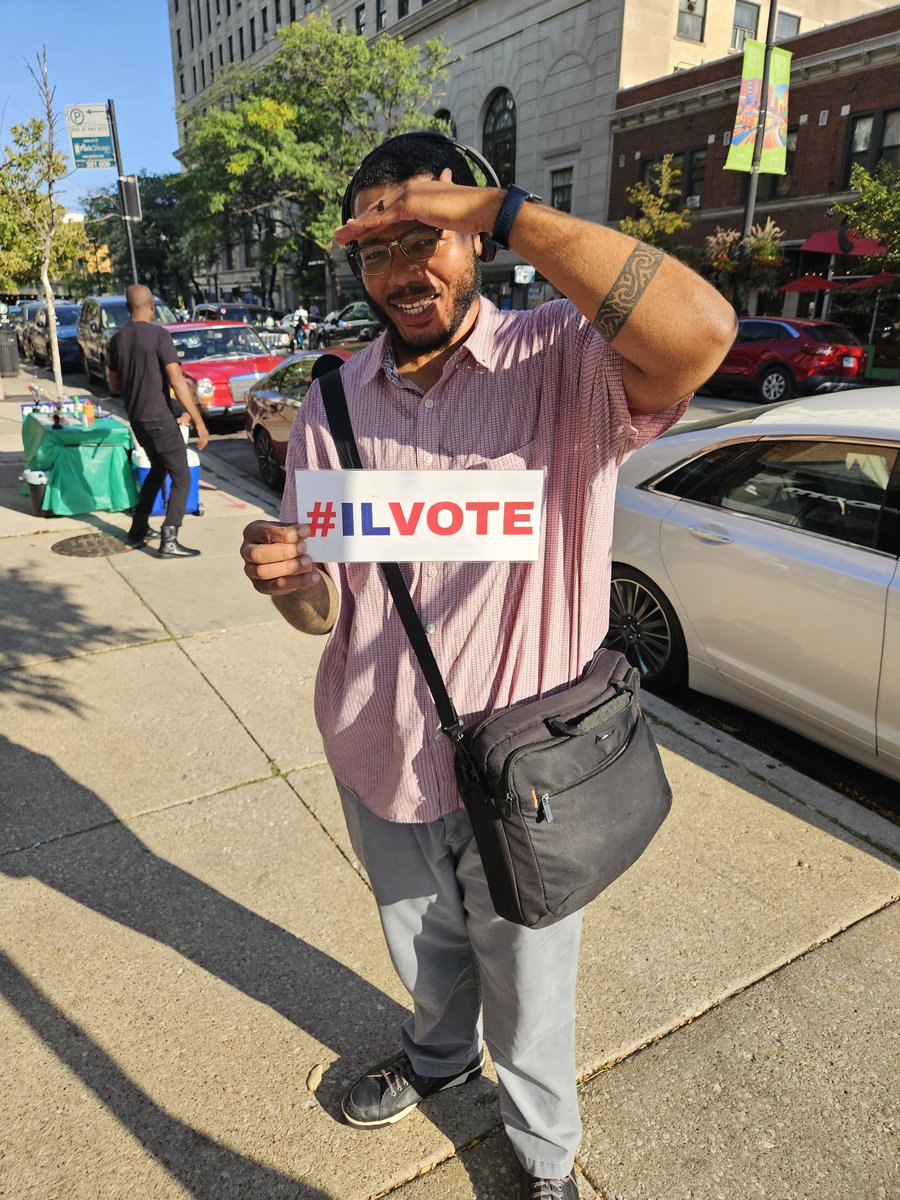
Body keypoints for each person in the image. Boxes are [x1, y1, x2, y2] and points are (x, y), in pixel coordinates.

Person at [240, 133, 736, 1199]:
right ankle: (436, 1057)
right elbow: (325, 610)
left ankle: (545, 1155)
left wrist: (500, 207)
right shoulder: (333, 403)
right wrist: (290, 584)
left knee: (531, 983)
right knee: (421, 950)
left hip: (527, 770)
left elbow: (702, 332)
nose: (403, 268)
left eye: (427, 233)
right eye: (377, 247)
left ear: (473, 239)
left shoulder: (565, 360)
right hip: (377, 749)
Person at [108, 284, 209, 557]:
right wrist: (199, 421)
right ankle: (169, 539)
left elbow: (113, 384)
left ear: (128, 307)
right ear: (151, 307)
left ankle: (138, 527)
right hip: (159, 420)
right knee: (182, 477)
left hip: (138, 420)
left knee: (158, 469)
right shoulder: (159, 335)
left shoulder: (117, 339)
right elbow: (176, 379)